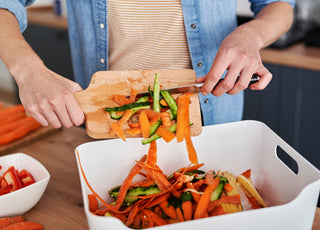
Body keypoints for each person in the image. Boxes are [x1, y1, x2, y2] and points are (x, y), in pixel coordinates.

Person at [0, 0, 294, 129]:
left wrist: (251, 35)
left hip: (212, 117)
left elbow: (279, 4)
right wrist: (28, 71)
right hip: (108, 121)